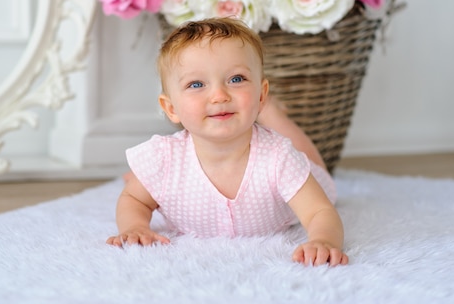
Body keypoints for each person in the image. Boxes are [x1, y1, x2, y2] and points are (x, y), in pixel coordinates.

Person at [107, 17, 348, 267]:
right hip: (172, 163)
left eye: (236, 79)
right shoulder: (164, 159)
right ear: (171, 108)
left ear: (261, 94)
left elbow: (319, 211)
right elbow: (134, 200)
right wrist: (135, 226)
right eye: (196, 84)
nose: (219, 95)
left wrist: (323, 239)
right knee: (140, 184)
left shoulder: (279, 157)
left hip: (305, 173)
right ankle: (139, 177)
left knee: (310, 159)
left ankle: (272, 113)